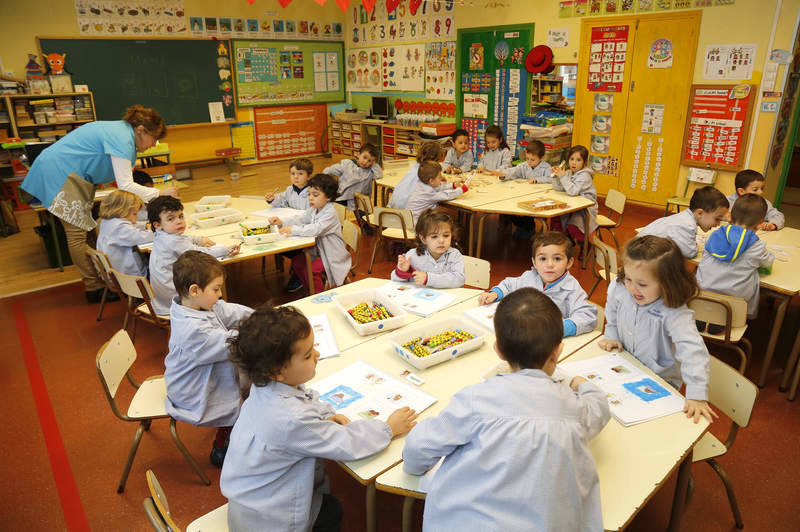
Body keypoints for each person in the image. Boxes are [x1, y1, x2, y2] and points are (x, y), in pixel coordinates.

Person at [402, 288, 610, 531]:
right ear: (558, 351)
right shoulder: (572, 408)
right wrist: (581, 383)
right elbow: (600, 409)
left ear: (498, 350)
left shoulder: (475, 399)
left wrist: (415, 468)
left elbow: (418, 448)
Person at [221, 305, 418, 531]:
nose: (317, 354)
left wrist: (326, 415)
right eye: (307, 355)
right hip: (272, 519)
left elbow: (304, 398)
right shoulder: (290, 419)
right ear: (277, 371)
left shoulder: (265, 386)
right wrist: (388, 428)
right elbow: (347, 444)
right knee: (333, 510)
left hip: (251, 500)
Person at [20, 105, 178, 303]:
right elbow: (126, 185)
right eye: (154, 138)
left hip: (71, 174)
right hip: (60, 172)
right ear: (141, 130)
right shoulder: (122, 137)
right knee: (77, 234)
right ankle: (94, 288)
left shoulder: (123, 133)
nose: (155, 144)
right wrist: (159, 193)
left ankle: (102, 280)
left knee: (87, 230)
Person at [599, 235, 716, 423]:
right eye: (629, 278)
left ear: (666, 282)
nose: (632, 288)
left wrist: (696, 395)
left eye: (642, 284)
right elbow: (611, 310)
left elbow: (693, 352)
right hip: (626, 365)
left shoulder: (675, 312)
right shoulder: (620, 287)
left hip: (659, 381)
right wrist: (611, 334)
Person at [164, 251, 253, 467]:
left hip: (199, 374)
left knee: (245, 385)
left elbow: (228, 310)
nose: (220, 294)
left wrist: (257, 316)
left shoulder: (194, 303)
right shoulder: (192, 329)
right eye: (216, 289)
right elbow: (231, 343)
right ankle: (222, 449)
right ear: (195, 290)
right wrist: (263, 328)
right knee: (246, 400)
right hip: (191, 390)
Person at [478, 231, 596, 336]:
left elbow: (587, 316)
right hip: (523, 333)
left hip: (552, 343)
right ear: (534, 262)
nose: (549, 264)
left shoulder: (572, 289)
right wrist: (495, 294)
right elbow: (509, 285)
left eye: (557, 259)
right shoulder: (530, 276)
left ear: (569, 263)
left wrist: (558, 328)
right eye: (543, 259)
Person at [147, 196, 239, 315]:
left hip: (161, 297)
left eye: (180, 216)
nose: (179, 221)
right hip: (176, 299)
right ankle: (217, 315)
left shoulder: (161, 235)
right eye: (171, 219)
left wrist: (198, 239)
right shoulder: (173, 242)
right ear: (157, 225)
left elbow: (183, 239)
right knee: (209, 280)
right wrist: (225, 250)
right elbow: (200, 255)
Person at [696, 194, 774, 325]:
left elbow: (705, 254)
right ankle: (720, 321)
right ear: (760, 224)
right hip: (734, 309)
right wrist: (771, 255)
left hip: (700, 298)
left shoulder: (715, 235)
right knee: (754, 276)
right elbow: (767, 262)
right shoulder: (756, 245)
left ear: (729, 216)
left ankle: (704, 318)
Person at [269, 174, 351, 294]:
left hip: (332, 254)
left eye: (315, 195)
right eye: (309, 194)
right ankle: (312, 287)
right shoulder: (315, 208)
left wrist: (292, 229)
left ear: (328, 197)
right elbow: (301, 218)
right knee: (297, 261)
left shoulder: (330, 212)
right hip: (319, 251)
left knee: (312, 269)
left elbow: (315, 229)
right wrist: (282, 222)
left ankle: (318, 294)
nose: (310, 198)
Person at [638, 185, 729, 258]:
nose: (718, 224)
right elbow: (690, 253)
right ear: (700, 213)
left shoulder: (683, 218)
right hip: (639, 261)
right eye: (717, 219)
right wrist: (695, 246)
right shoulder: (687, 225)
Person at [391, 208, 465, 288]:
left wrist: (428, 278)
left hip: (447, 298)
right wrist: (402, 271)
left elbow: (459, 279)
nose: (441, 240)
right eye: (434, 236)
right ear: (423, 239)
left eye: (446, 235)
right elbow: (394, 280)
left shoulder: (455, 255)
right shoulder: (412, 256)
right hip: (419, 298)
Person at [501, 140, 553, 240]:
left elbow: (551, 179)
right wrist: (504, 175)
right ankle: (524, 227)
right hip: (523, 195)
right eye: (527, 158)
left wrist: (538, 179)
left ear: (541, 158)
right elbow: (513, 172)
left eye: (532, 160)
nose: (529, 162)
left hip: (538, 197)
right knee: (511, 211)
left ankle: (528, 228)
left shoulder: (546, 167)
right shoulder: (523, 165)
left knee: (527, 215)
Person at [96, 190, 153, 278]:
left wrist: (145, 225)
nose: (137, 217)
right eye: (134, 213)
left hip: (116, 274)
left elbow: (131, 226)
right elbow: (143, 237)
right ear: (122, 211)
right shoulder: (120, 228)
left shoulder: (107, 222)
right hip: (131, 278)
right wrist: (151, 230)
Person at [551, 145, 598, 244]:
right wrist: (556, 177)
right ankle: (563, 240)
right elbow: (559, 189)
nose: (574, 162)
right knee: (556, 217)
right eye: (571, 159)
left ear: (585, 163)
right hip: (573, 205)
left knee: (574, 227)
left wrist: (562, 176)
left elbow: (572, 191)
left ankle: (585, 245)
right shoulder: (569, 172)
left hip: (585, 209)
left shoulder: (585, 175)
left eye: (578, 160)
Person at [323, 144, 382, 210]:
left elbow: (379, 175)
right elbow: (328, 171)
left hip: (360, 200)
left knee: (364, 217)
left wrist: (374, 164)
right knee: (333, 211)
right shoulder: (348, 164)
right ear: (358, 154)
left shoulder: (370, 171)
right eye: (364, 157)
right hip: (342, 196)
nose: (365, 162)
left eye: (369, 161)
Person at [389, 141, 444, 209]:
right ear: (434, 160)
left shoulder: (415, 168)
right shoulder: (427, 173)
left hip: (392, 210)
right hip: (408, 214)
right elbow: (437, 191)